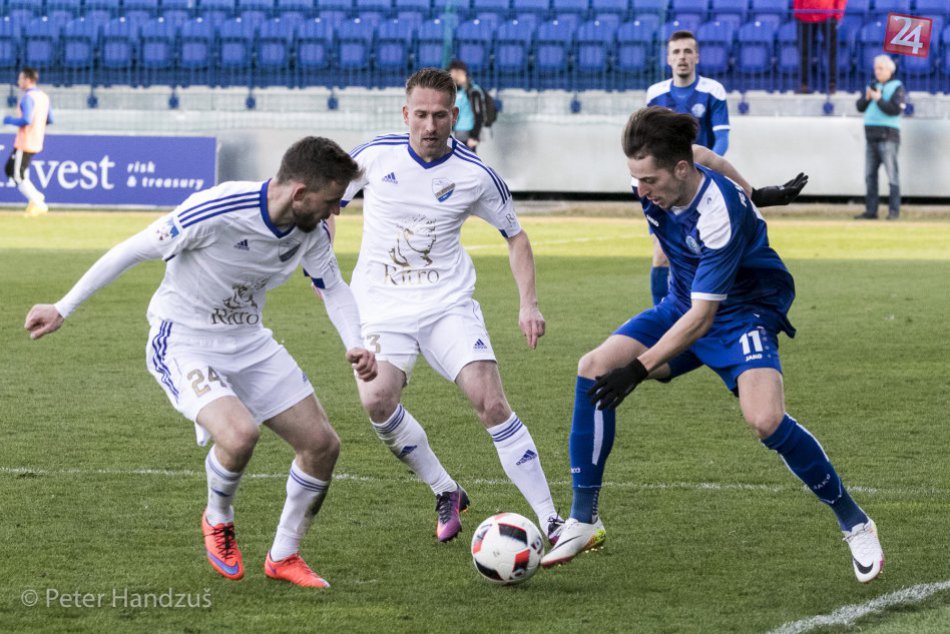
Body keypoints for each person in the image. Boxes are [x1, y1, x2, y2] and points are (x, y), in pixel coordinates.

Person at [540, 107, 884, 585]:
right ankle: (584, 519)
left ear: (680, 170)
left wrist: (638, 369)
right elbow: (706, 154)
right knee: (593, 366)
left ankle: (854, 520)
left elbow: (703, 320)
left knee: (765, 420)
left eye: (650, 180)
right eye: (636, 178)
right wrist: (757, 190)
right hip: (683, 301)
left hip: (741, 311)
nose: (641, 190)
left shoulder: (718, 214)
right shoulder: (675, 169)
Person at [24, 137, 378, 589]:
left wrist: (356, 343)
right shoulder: (217, 209)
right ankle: (218, 517)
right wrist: (63, 307)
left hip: (249, 341)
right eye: (331, 202)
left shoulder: (311, 231)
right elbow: (132, 249)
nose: (336, 212)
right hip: (184, 340)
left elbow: (333, 287)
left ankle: (284, 555)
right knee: (239, 434)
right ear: (299, 193)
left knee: (322, 446)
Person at [337, 67, 563, 544]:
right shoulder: (373, 156)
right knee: (377, 401)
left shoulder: (475, 174)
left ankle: (551, 520)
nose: (430, 126)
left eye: (440, 115)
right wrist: (323, 270)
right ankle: (445, 489)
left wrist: (529, 304)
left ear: (454, 116)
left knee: (491, 402)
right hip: (380, 306)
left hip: (446, 305)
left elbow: (516, 237)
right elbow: (326, 206)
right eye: (420, 115)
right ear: (405, 113)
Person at [646, 30, 730, 306]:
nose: (682, 57)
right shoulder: (655, 94)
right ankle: (661, 313)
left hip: (701, 185)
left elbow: (722, 139)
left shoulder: (712, 91)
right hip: (666, 185)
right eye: (676, 52)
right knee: (662, 252)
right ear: (668, 59)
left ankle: (707, 310)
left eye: (687, 51)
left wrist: (699, 167)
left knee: (706, 250)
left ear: (697, 57)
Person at [854, 55, 905, 221]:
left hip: (888, 136)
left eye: (881, 68)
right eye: (876, 68)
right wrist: (867, 97)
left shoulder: (897, 87)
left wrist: (879, 99)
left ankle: (893, 212)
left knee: (892, 176)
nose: (877, 72)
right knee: (870, 176)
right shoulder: (872, 86)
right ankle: (871, 211)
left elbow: (894, 109)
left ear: (890, 70)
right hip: (871, 137)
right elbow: (859, 107)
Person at [3, 67, 53, 217]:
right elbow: (50, 119)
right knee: (15, 170)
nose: (18, 81)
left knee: (16, 174)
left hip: (25, 141)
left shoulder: (28, 97)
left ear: (27, 79)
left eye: (20, 78)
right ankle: (36, 198)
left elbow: (26, 119)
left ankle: (38, 202)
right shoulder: (44, 97)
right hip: (37, 139)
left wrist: (9, 120)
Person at [793, 0, 846, 94]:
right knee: (804, 51)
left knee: (831, 51)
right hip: (805, 15)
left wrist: (838, 14)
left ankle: (831, 84)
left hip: (828, 15)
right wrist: (798, 12)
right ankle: (804, 84)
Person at [447, 59, 486, 154]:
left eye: (454, 74)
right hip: (459, 133)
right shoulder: (459, 91)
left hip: (469, 134)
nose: (452, 77)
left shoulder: (474, 91)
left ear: (461, 73)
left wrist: (474, 137)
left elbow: (479, 115)